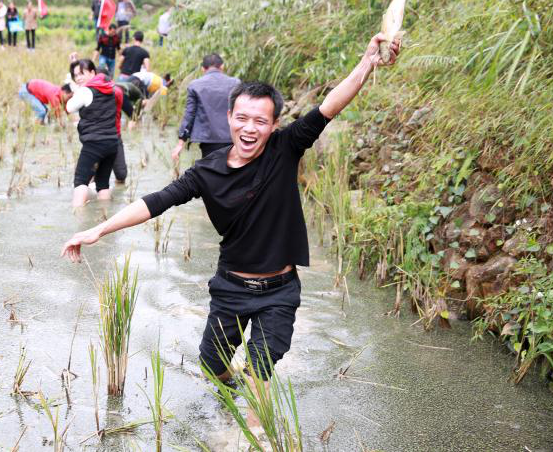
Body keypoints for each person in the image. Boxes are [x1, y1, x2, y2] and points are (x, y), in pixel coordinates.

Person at [62, 34, 402, 428]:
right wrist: (98, 230)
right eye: (242, 118)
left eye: (261, 120)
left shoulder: (285, 147)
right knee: (213, 367)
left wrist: (367, 63)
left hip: (279, 292)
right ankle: (231, 388)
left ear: (274, 124)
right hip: (230, 288)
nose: (250, 128)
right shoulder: (207, 171)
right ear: (229, 119)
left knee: (260, 377)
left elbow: (329, 106)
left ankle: (253, 437)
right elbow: (156, 201)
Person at [65, 59, 122, 207]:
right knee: (102, 183)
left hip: (94, 144)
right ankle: (105, 215)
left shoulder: (85, 91)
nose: (78, 78)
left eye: (81, 74)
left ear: (92, 72)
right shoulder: (111, 88)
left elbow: (69, 107)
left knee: (81, 180)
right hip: (112, 143)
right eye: (75, 75)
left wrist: (77, 91)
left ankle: (78, 218)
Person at [172, 54, 239, 161]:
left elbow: (190, 114)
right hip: (231, 137)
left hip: (208, 140)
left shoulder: (195, 85)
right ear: (222, 66)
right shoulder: (235, 83)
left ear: (203, 69)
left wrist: (181, 142)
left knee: (210, 172)